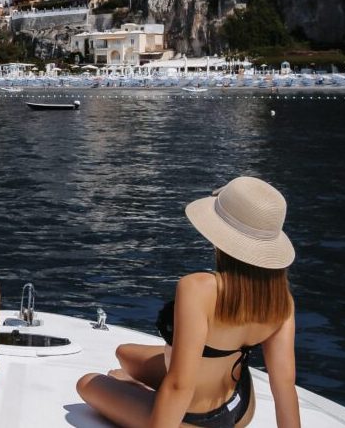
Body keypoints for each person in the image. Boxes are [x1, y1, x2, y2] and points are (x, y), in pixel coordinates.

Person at [76, 176, 301, 428]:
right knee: (124, 353)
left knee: (88, 382)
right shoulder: (282, 302)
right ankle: (135, 386)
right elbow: (284, 387)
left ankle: (137, 390)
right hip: (239, 408)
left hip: (191, 420)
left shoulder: (198, 288)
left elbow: (179, 386)